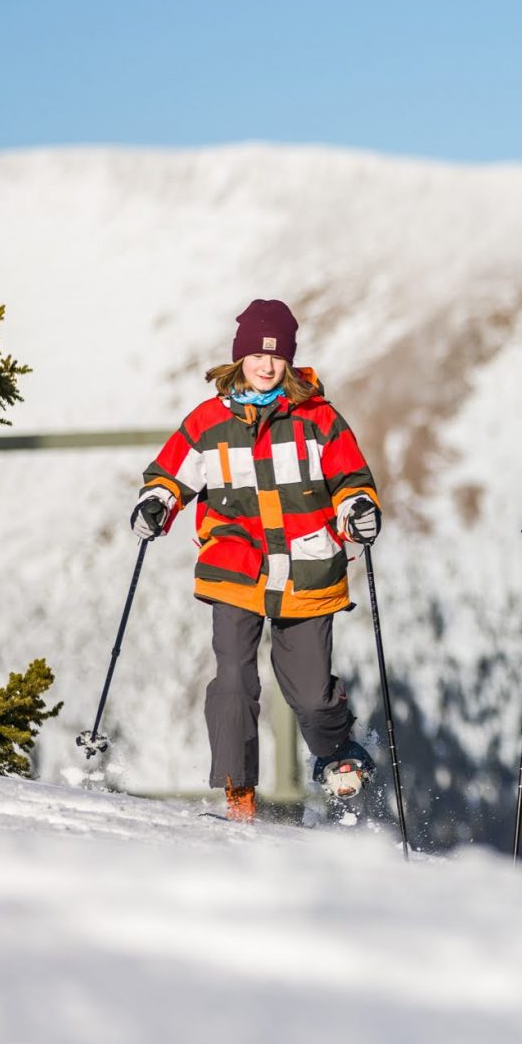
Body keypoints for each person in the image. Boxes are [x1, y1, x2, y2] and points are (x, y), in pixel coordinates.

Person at [133, 299, 383, 822]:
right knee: (233, 680)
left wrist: (358, 510)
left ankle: (337, 751)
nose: (267, 366)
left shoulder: (318, 418)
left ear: (289, 360)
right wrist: (158, 502)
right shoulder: (208, 422)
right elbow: (170, 473)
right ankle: (237, 794)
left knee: (312, 694)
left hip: (307, 567)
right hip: (235, 566)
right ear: (240, 358)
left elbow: (351, 480)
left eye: (276, 357)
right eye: (257, 355)